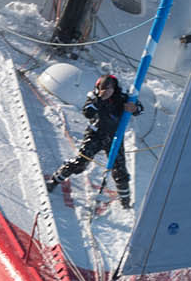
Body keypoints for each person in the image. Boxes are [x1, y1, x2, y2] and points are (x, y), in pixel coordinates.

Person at [46, 72, 142, 209]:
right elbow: (88, 112)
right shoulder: (94, 97)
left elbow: (140, 109)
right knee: (80, 162)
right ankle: (55, 180)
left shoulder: (122, 97)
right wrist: (100, 99)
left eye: (110, 88)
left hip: (114, 136)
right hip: (95, 134)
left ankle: (125, 201)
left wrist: (134, 108)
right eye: (104, 88)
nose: (108, 91)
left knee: (120, 170)